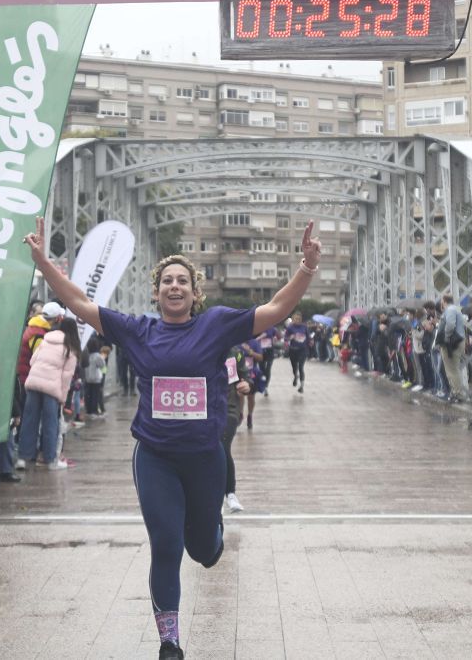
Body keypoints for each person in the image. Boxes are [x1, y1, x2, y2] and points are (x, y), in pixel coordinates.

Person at [24, 215, 322, 660]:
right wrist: (44, 263)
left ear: (194, 292)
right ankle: (169, 641)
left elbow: (276, 309)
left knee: (203, 551)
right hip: (156, 457)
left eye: (183, 280)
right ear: (157, 290)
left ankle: (213, 533)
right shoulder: (137, 330)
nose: (175, 287)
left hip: (205, 458)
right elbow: (80, 302)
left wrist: (307, 268)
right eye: (167, 281)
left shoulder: (217, 324)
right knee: (166, 542)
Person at [18, 316, 82, 471]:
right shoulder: (70, 348)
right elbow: (66, 377)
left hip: (34, 382)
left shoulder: (46, 339)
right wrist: (63, 397)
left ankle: (24, 457)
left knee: (29, 421)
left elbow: (33, 360)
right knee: (50, 424)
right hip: (52, 388)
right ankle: (49, 458)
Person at [222, 345, 252, 513]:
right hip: (202, 409)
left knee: (223, 445)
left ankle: (230, 493)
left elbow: (245, 377)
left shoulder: (235, 353)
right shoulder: (197, 346)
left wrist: (246, 384)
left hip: (229, 407)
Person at [437, 294, 466, 402]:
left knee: (452, 369)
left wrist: (446, 338)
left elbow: (450, 325)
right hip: (456, 341)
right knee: (453, 369)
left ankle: (458, 394)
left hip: (452, 343)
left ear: (444, 301)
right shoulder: (454, 309)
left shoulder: (450, 310)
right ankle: (456, 392)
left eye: (441, 301)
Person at [286, 312, 310, 393]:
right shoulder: (290, 328)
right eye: (296, 319)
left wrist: (309, 344)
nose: (298, 320)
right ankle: (295, 376)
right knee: (294, 368)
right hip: (293, 350)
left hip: (302, 350)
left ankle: (302, 386)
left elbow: (308, 337)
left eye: (299, 319)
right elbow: (286, 338)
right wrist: (290, 337)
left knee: (301, 367)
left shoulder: (304, 327)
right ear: (293, 319)